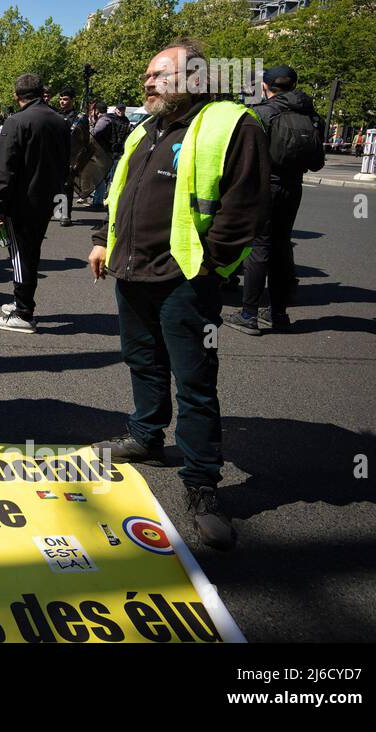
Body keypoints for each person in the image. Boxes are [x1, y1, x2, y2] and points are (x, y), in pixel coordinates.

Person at [87, 39, 269, 551]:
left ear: (194, 79)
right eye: (147, 75)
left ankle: (201, 485)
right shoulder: (146, 130)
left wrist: (210, 267)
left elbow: (245, 206)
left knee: (194, 379)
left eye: (159, 75)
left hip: (186, 278)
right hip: (132, 270)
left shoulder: (230, 125)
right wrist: (102, 242)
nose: (148, 82)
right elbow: (119, 192)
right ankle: (146, 437)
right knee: (141, 360)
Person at [226, 65, 325, 334]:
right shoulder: (312, 115)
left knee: (259, 248)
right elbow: (317, 161)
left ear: (265, 87)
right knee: (281, 247)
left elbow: (243, 159)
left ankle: (249, 314)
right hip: (293, 187)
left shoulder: (259, 114)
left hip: (263, 188)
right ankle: (279, 313)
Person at [0, 74, 70, 333]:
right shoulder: (60, 120)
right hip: (47, 198)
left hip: (21, 201)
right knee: (30, 252)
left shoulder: (16, 121)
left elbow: (5, 169)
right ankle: (21, 301)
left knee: (20, 255)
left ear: (16, 95)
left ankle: (24, 311)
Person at [89, 103, 132, 209]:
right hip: (109, 151)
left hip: (118, 152)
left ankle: (104, 200)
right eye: (120, 109)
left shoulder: (125, 121)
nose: (121, 111)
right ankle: (101, 199)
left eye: (123, 109)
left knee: (111, 178)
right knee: (105, 177)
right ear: (116, 109)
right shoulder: (110, 119)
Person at [55, 87, 82, 227]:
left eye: (65, 99)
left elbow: (84, 142)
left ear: (72, 100)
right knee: (56, 186)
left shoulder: (79, 118)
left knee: (67, 187)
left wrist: (78, 161)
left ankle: (65, 215)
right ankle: (58, 211)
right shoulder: (55, 115)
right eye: (60, 99)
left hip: (71, 158)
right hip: (56, 156)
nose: (62, 102)